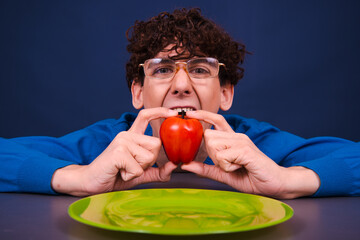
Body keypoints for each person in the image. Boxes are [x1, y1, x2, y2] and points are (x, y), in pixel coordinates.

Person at [0, 8, 359, 199]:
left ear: (226, 94)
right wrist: (76, 177)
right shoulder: (108, 144)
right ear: (138, 93)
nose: (182, 85)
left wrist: (288, 180)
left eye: (201, 69)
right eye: (164, 69)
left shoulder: (256, 145)